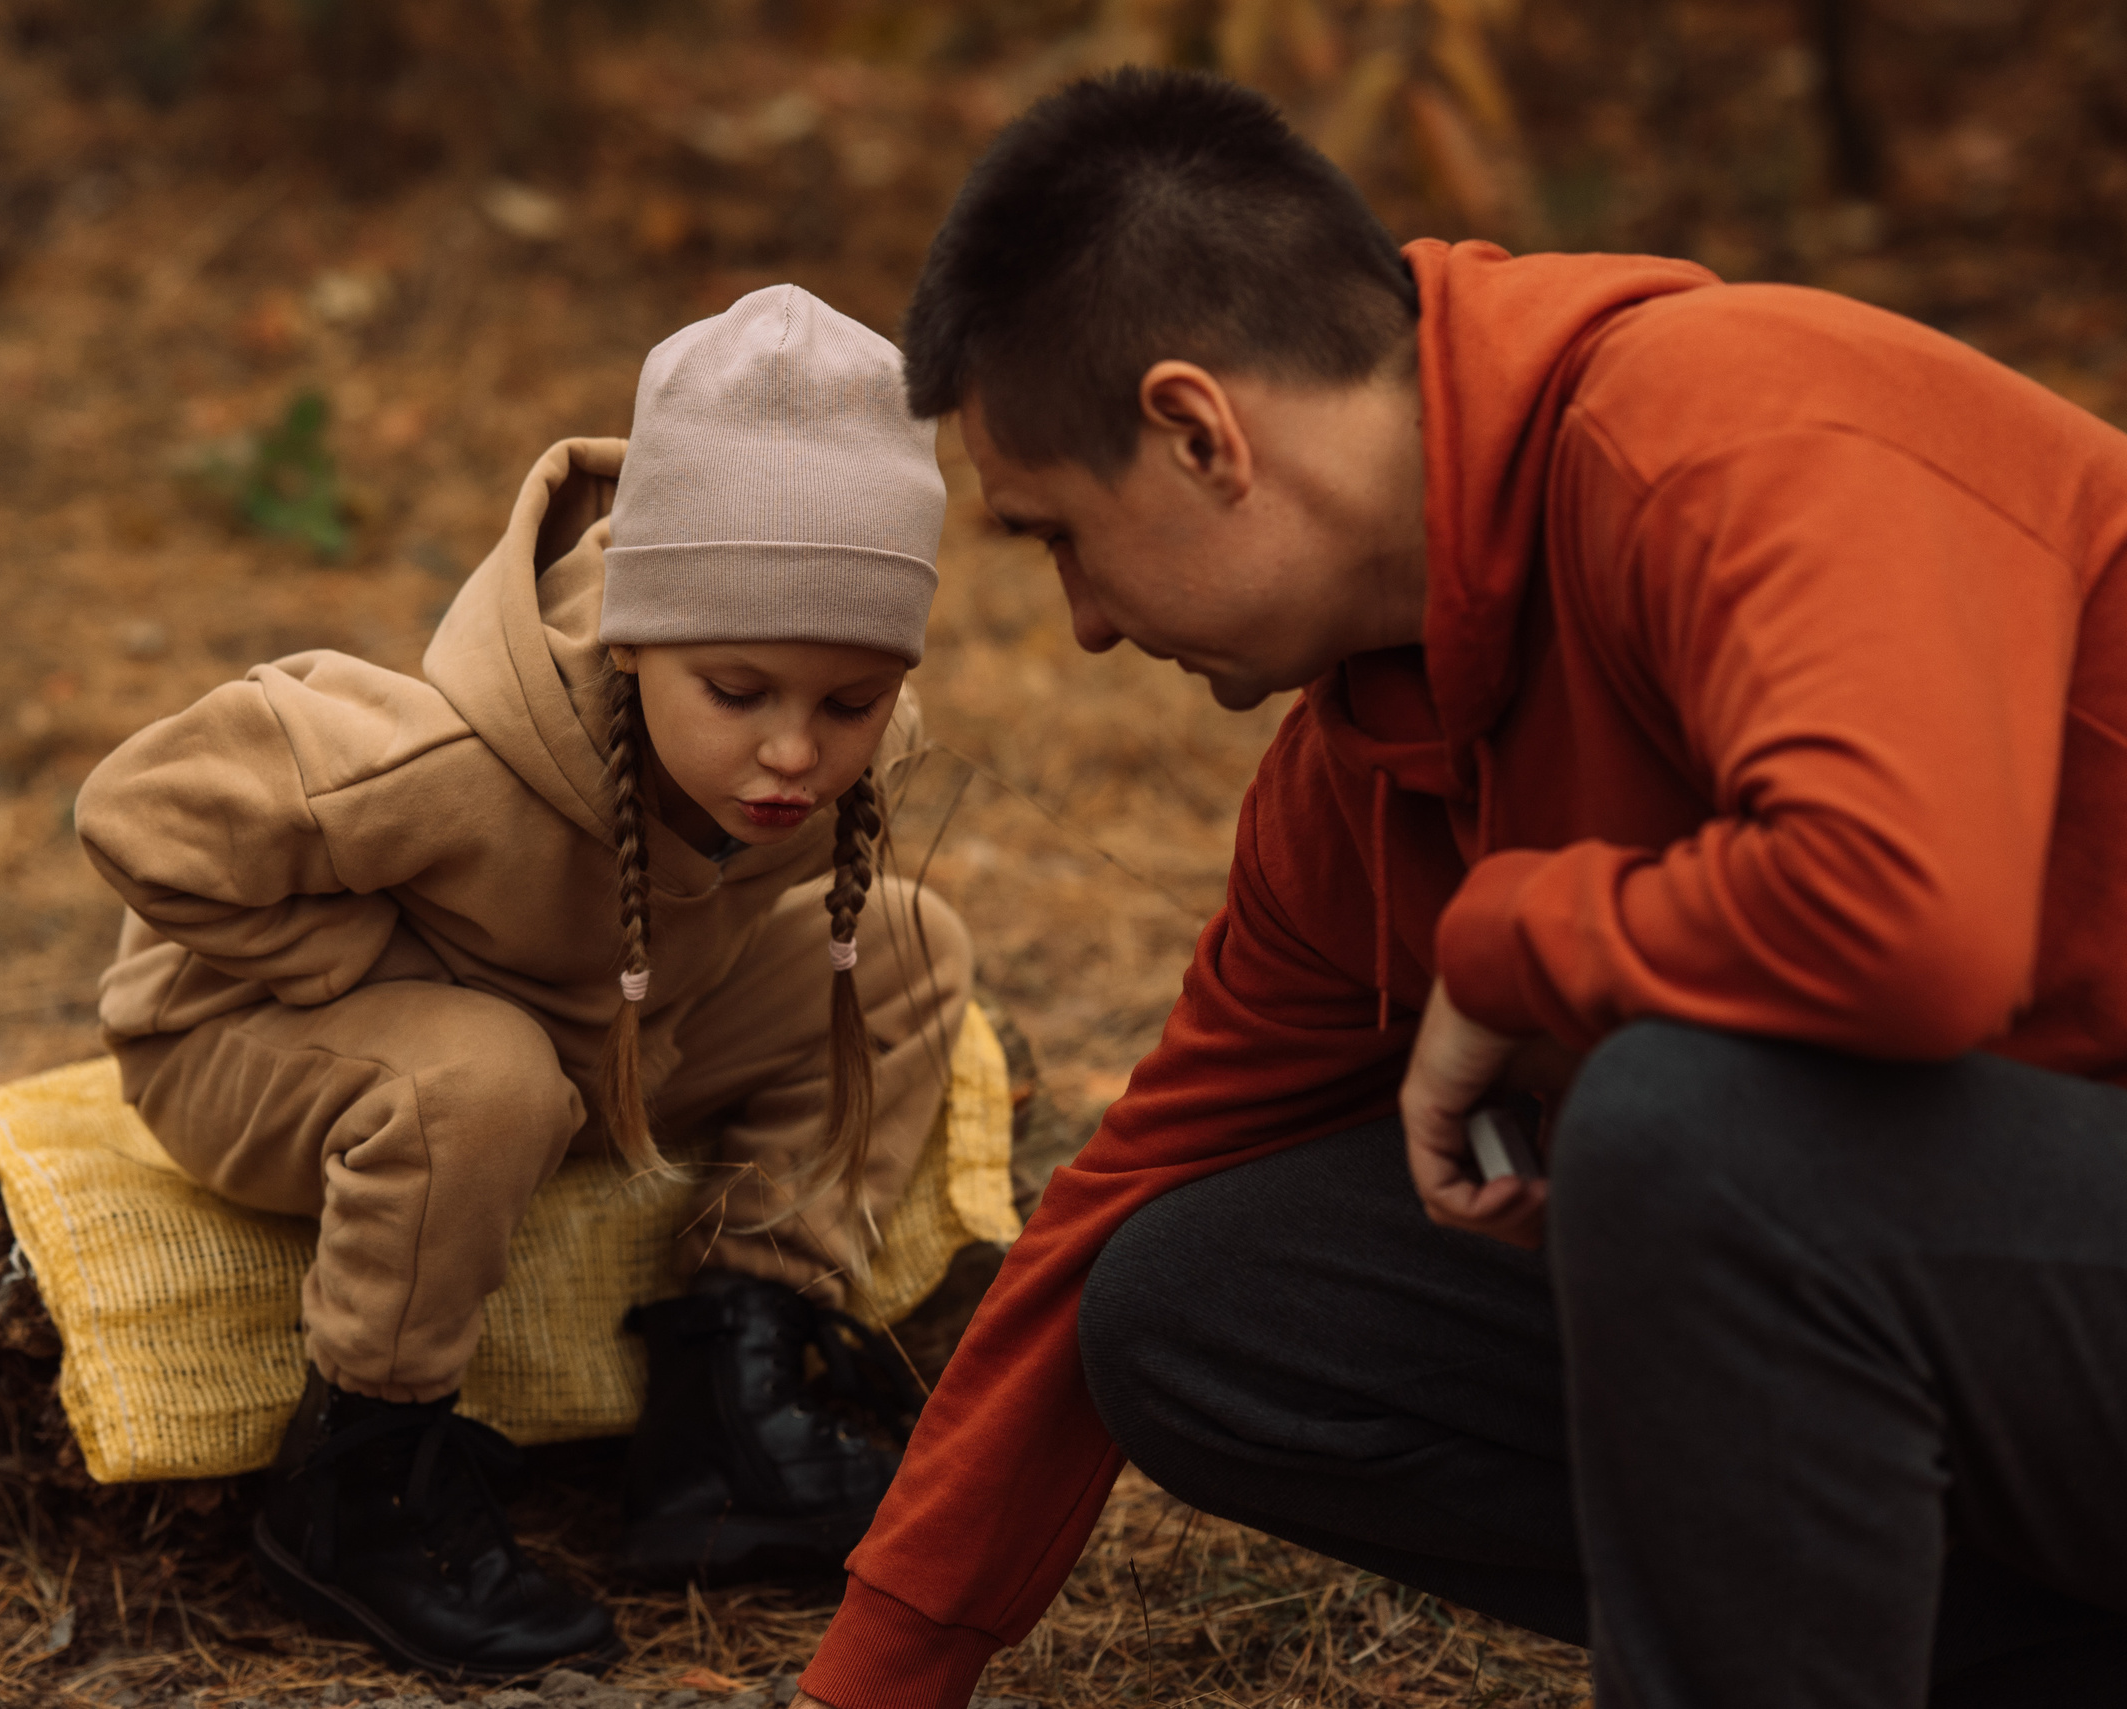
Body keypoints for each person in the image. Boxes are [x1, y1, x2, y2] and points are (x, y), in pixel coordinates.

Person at [789, 67, 2127, 1709]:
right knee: (1195, 1299)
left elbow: (1907, 922)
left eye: (1060, 536)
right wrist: (873, 1679)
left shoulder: (1724, 430)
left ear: (1199, 429)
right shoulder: (1362, 762)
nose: (1080, 623)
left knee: (1683, 1125)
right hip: (2018, 1342)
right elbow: (1128, 1185)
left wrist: (1506, 943)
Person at [74, 284, 974, 1680]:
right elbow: (134, 811)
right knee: (479, 1076)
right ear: (634, 641)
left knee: (909, 946)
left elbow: (814, 850)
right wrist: (372, 968)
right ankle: (357, 1490)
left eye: (845, 703)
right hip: (252, 1048)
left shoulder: (841, 758)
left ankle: (726, 1402)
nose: (796, 751)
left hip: (599, 1028)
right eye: (738, 694)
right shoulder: (437, 760)